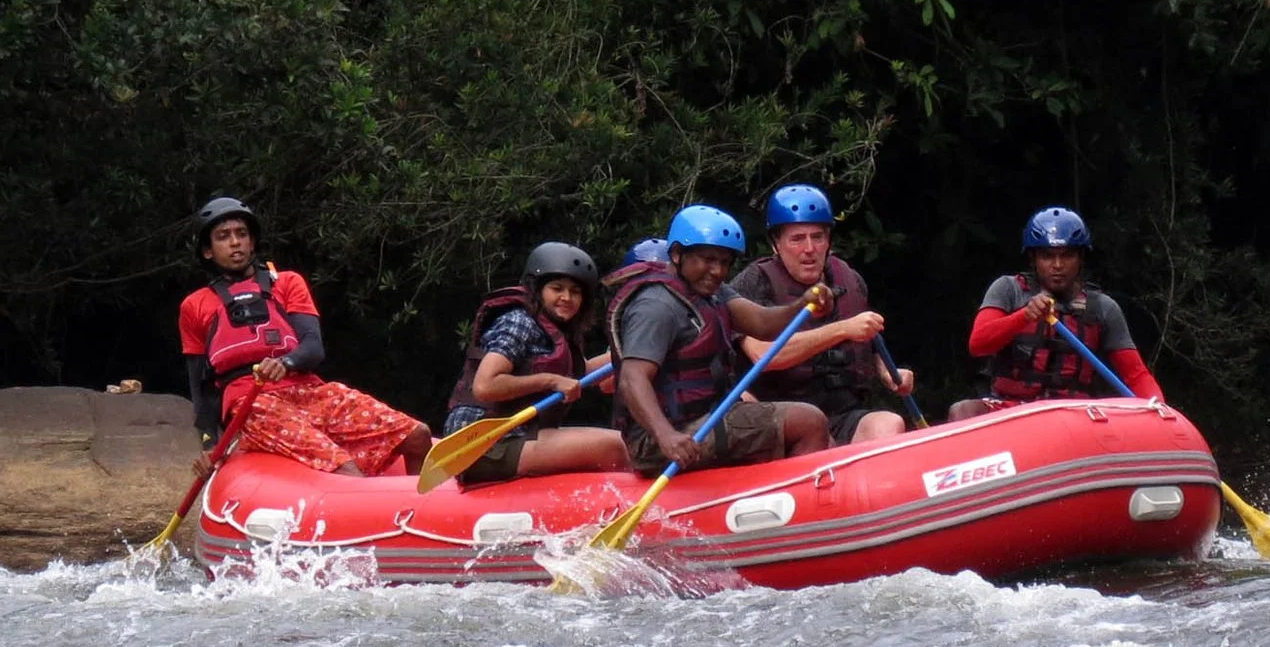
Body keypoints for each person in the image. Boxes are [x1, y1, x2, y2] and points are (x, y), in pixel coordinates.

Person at [178, 196, 432, 476]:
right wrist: (209, 445)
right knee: (345, 470)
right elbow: (200, 386)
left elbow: (313, 348)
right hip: (250, 403)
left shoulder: (287, 282)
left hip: (307, 390)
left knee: (418, 435)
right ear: (207, 251)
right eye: (223, 237)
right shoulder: (195, 305)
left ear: (252, 242)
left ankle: (419, 513)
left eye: (242, 234)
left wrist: (284, 363)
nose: (235, 242)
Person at [606, 204, 834, 472]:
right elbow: (632, 380)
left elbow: (762, 323)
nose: (718, 271)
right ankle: (800, 504)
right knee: (808, 422)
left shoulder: (711, 292)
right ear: (678, 254)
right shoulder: (656, 305)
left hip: (705, 418)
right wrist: (666, 435)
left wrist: (802, 305)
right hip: (661, 438)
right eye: (708, 259)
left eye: (725, 262)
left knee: (802, 426)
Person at [730, 184, 916, 443]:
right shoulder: (752, 283)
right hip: (783, 418)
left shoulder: (850, 278)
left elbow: (870, 345)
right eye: (797, 239)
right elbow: (766, 355)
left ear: (828, 241)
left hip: (843, 413)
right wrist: (841, 329)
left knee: (888, 423)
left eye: (817, 237)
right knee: (811, 426)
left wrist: (888, 372)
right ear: (775, 244)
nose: (809, 248)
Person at [949, 205, 1165, 420]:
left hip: (1073, 414)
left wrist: (1159, 407)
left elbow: (1136, 375)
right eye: (1047, 256)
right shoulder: (1008, 289)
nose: (1058, 265)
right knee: (963, 411)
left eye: (1067, 255)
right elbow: (978, 344)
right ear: (1033, 258)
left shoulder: (1103, 308)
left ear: (1080, 258)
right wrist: (1024, 316)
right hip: (1010, 409)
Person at [439, 242, 627, 482]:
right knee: (615, 447)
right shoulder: (519, 322)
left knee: (616, 443)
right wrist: (549, 381)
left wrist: (628, 351)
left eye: (575, 292)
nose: (566, 297)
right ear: (537, 290)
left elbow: (583, 373)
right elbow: (485, 385)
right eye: (557, 288)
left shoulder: (558, 331)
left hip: (517, 434)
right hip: (480, 443)